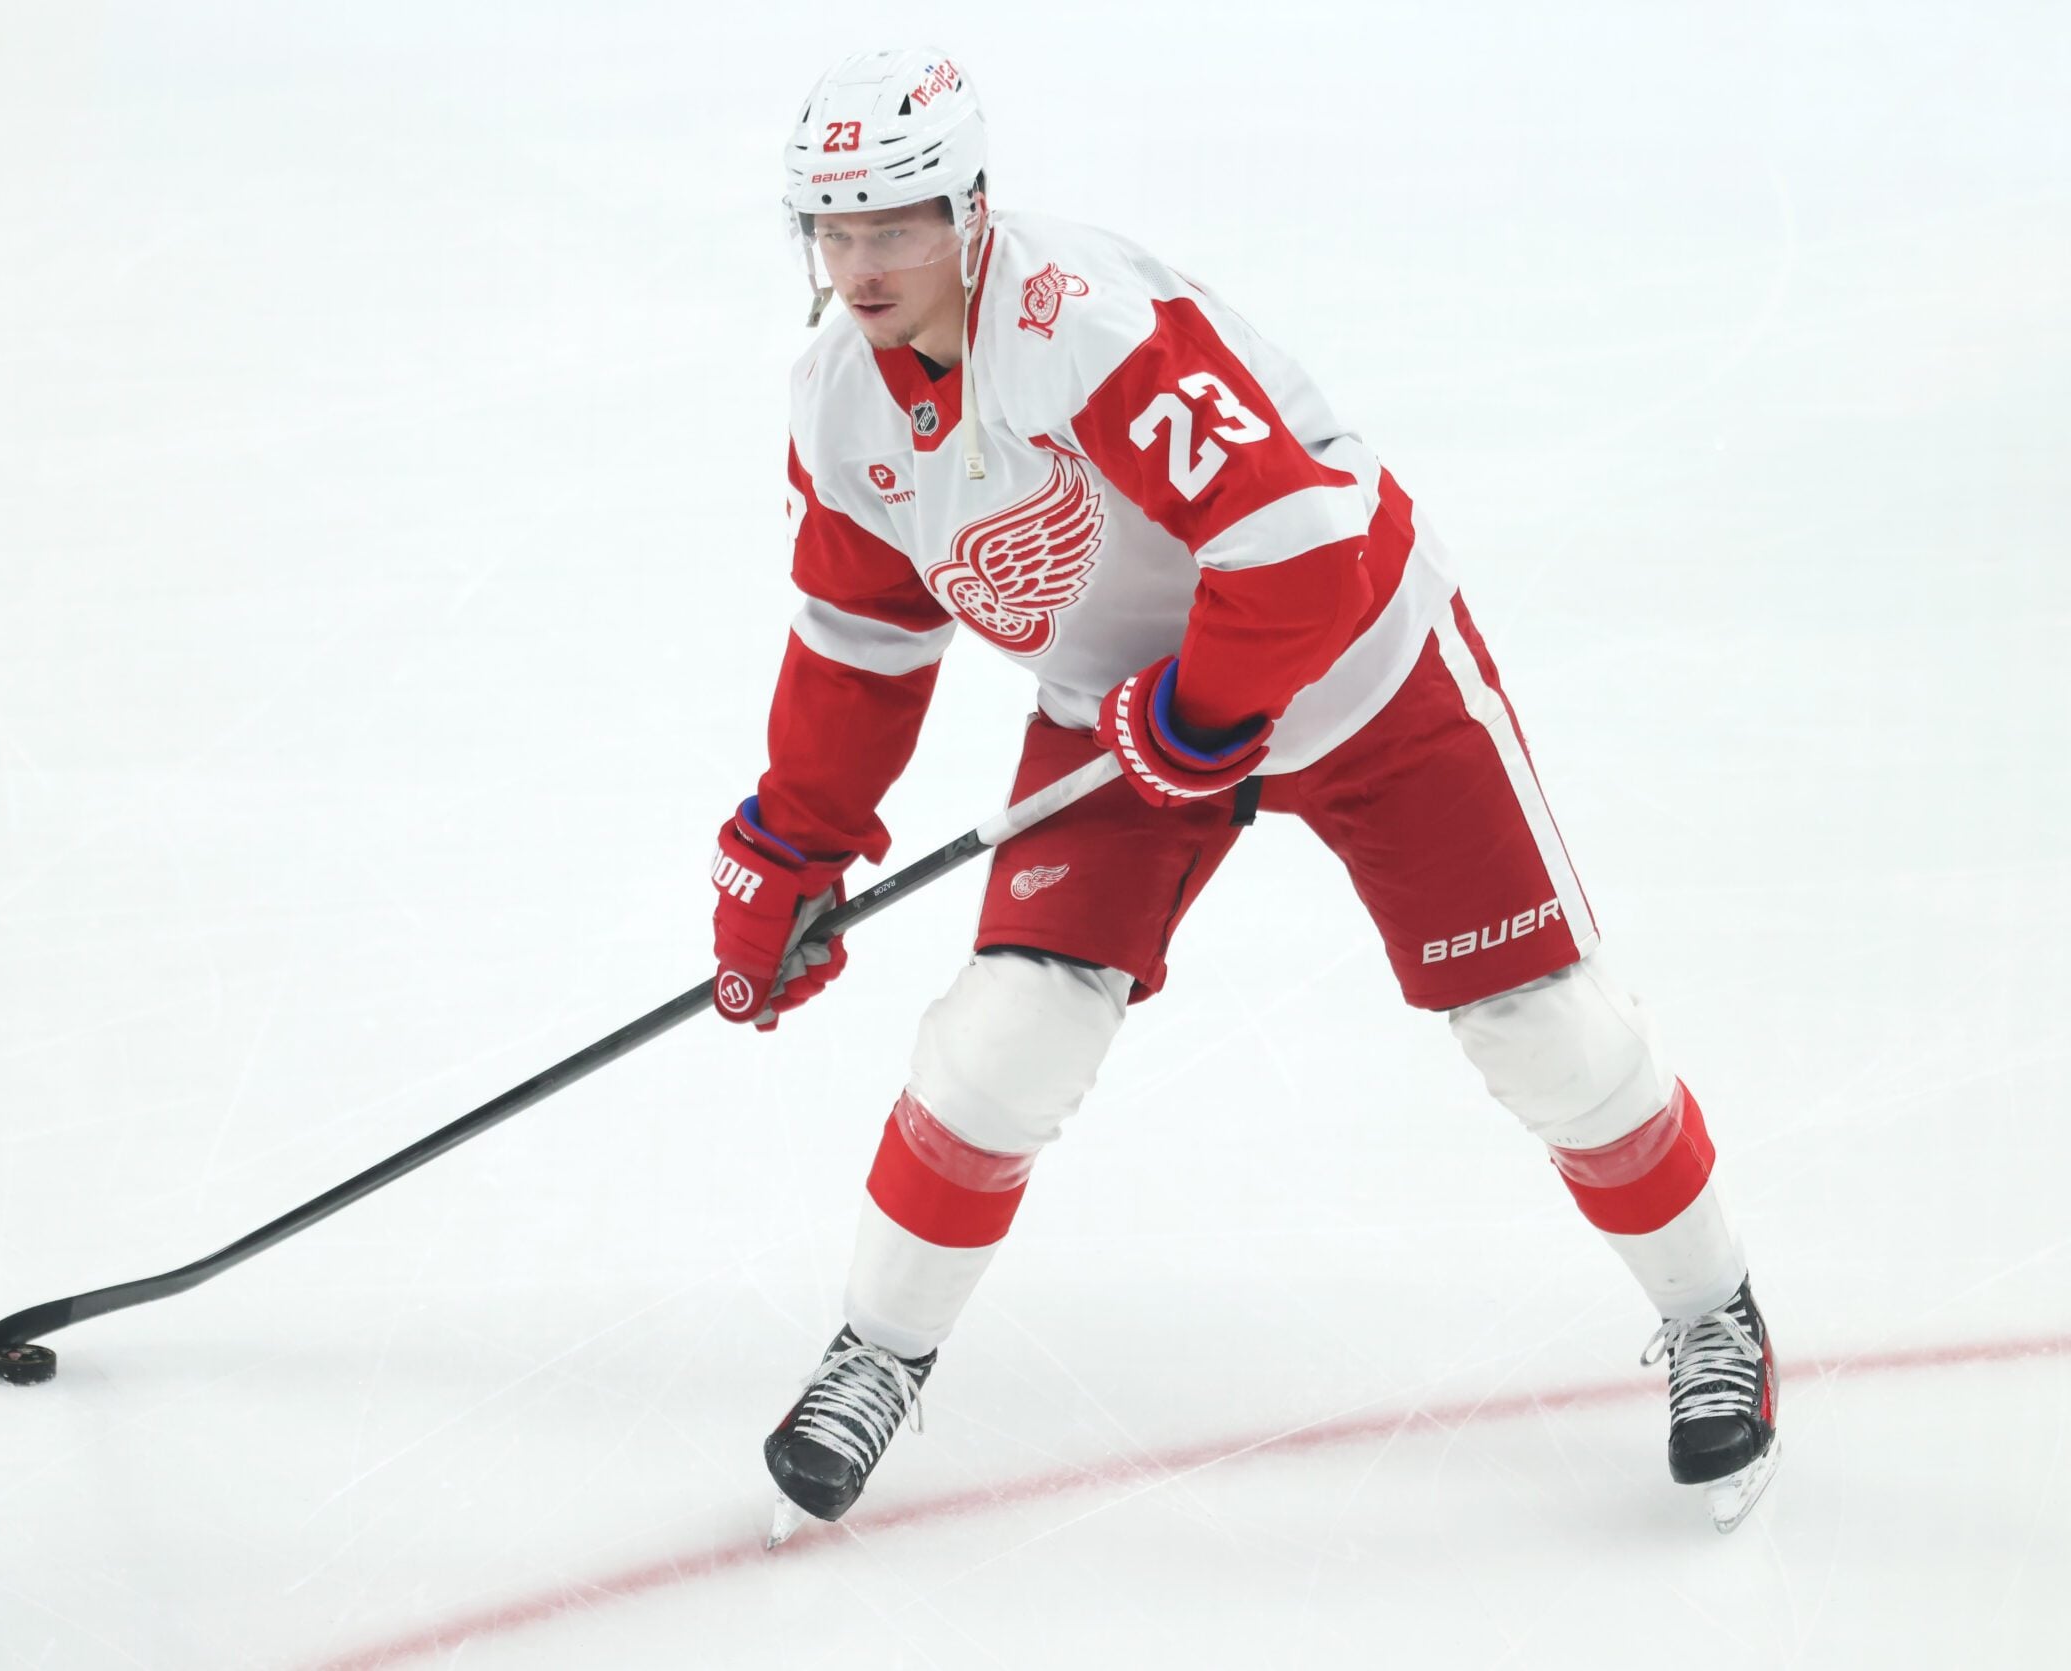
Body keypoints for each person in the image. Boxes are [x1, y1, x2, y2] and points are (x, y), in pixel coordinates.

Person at [712, 48, 1780, 1546]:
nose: (863, 263)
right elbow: (862, 639)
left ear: (970, 208)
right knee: (1006, 1039)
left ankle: (1713, 1311)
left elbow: (1296, 544)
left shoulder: (1080, 325)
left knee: (1545, 1029)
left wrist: (1204, 711)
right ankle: (878, 1354)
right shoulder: (838, 399)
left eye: (895, 223)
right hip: (1119, 723)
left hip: (1358, 672)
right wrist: (792, 844)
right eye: (834, 230)